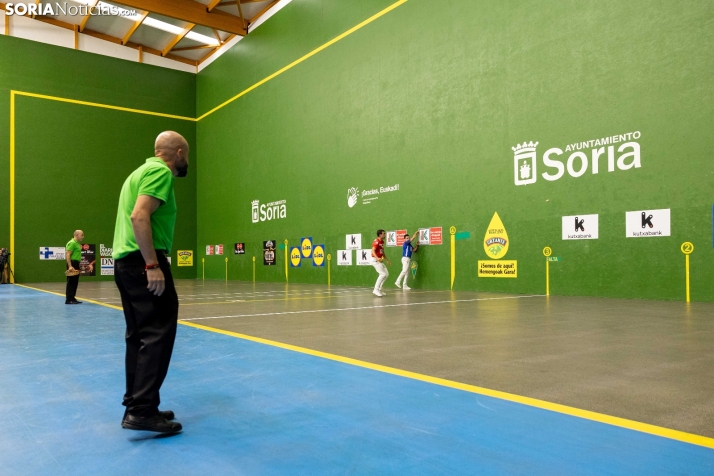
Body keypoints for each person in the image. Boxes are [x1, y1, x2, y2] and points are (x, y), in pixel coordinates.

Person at [112, 131, 189, 434]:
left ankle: (140, 402)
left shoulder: (139, 172)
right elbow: (139, 216)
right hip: (143, 262)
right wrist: (152, 264)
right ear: (179, 152)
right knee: (158, 332)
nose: (186, 161)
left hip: (125, 265)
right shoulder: (160, 172)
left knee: (139, 335)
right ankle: (142, 411)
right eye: (187, 156)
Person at [65, 230, 84, 304]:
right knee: (71, 282)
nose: (83, 236)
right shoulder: (72, 243)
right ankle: (69, 299)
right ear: (76, 235)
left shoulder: (77, 244)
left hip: (76, 263)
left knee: (75, 282)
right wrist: (70, 266)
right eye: (81, 235)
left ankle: (72, 297)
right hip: (72, 264)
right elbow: (68, 254)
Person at [371, 229, 391, 297]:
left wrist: (387, 260)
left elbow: (382, 252)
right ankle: (375, 290)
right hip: (375, 260)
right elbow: (373, 251)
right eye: (383, 234)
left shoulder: (382, 242)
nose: (385, 235)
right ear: (380, 235)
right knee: (382, 274)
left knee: (386, 274)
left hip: (379, 260)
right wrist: (377, 258)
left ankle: (379, 289)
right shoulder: (376, 241)